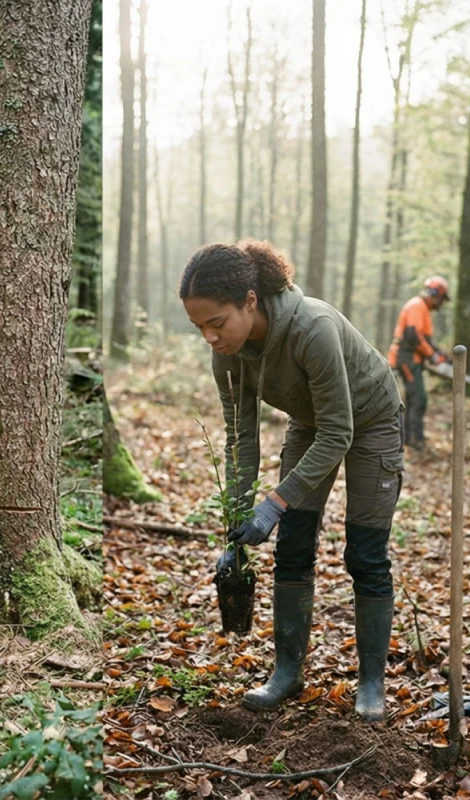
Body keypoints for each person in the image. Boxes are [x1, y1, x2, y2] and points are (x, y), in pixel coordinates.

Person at [180, 241, 404, 723]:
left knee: (364, 551)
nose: (210, 339)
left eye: (217, 323)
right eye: (199, 328)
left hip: (371, 420)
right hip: (310, 423)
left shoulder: (312, 328)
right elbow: (241, 438)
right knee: (293, 546)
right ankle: (287, 671)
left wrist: (274, 502)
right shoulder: (230, 357)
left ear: (250, 301)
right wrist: (239, 523)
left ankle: (370, 682)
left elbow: (341, 431)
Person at [385, 277, 450, 452]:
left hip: (413, 359)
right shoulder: (416, 306)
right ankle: (413, 439)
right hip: (406, 358)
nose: (441, 303)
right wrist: (433, 356)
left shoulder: (423, 309)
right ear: (434, 294)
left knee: (415, 398)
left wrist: (439, 353)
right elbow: (413, 336)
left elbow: (424, 337)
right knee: (417, 398)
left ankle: (410, 437)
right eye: (441, 298)